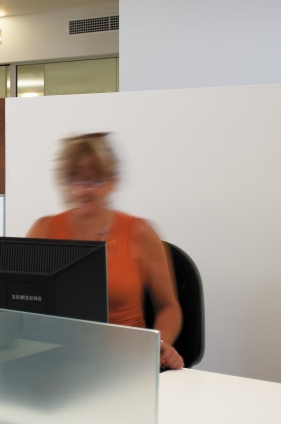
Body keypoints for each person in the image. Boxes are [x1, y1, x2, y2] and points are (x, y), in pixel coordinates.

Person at [26, 133, 185, 370]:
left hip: (126, 362)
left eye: (92, 181)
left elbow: (169, 307)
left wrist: (159, 344)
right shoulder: (43, 230)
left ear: (112, 182)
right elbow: (19, 304)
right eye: (72, 180)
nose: (81, 191)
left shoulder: (139, 232)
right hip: (58, 361)